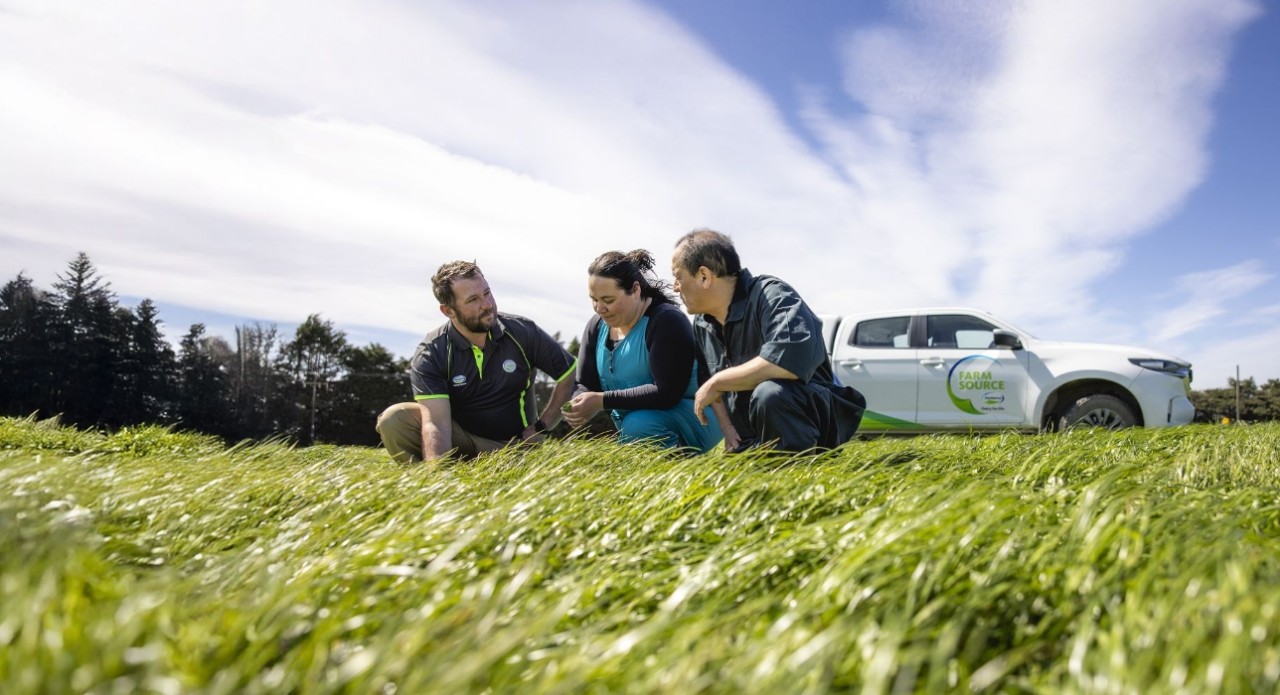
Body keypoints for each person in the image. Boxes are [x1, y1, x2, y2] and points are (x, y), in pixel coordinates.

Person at [671, 229, 866, 452]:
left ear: (704, 276)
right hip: (750, 434)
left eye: (678, 277)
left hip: (808, 424)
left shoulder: (773, 296)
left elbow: (787, 361)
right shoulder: (701, 323)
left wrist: (718, 381)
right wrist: (727, 427)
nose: (675, 287)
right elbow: (707, 378)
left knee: (771, 393)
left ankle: (801, 462)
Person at [376, 260, 577, 462]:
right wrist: (436, 474)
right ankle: (434, 478)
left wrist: (543, 425)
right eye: (473, 299)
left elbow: (570, 373)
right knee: (394, 419)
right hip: (460, 442)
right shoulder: (432, 351)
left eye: (487, 293)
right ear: (448, 311)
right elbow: (436, 423)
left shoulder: (522, 331)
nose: (487, 304)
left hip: (516, 447)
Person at [562, 250, 726, 452]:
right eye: (594, 299)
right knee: (635, 425)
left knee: (638, 425)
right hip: (639, 421)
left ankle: (683, 464)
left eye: (608, 300)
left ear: (635, 290)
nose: (599, 308)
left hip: (699, 413)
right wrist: (580, 400)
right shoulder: (596, 326)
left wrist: (601, 401)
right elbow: (586, 382)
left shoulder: (666, 321)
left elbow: (667, 393)